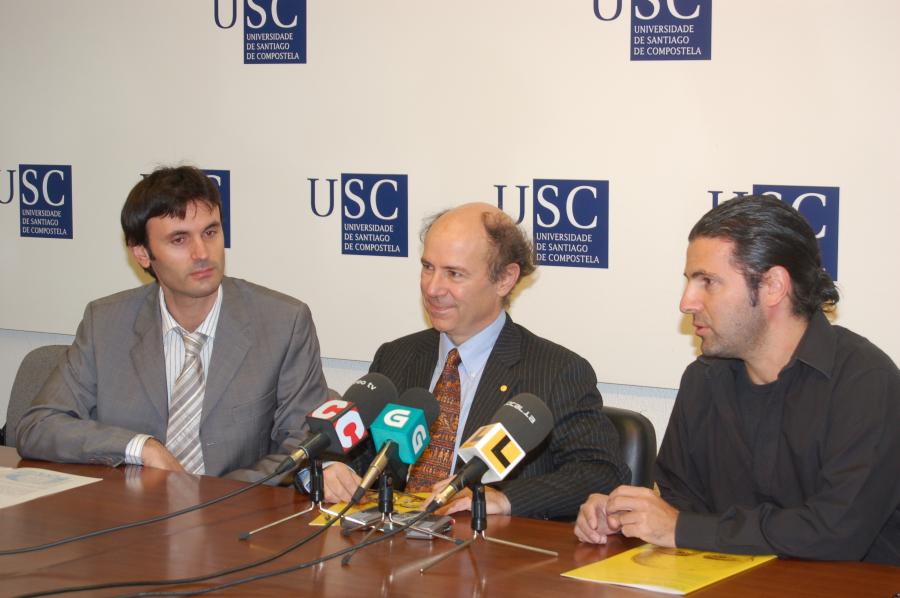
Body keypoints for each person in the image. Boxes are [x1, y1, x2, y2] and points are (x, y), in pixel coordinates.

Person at [574, 195, 900, 565]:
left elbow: (836, 533)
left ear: (773, 286)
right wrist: (627, 515)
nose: (686, 302)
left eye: (708, 282)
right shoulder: (704, 379)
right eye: (689, 281)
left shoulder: (865, 382)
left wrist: (678, 527)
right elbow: (681, 504)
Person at [17, 165, 329, 482]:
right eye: (179, 239)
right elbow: (38, 426)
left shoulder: (283, 323)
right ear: (141, 253)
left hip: (233, 516)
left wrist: (207, 497)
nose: (202, 253)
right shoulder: (106, 323)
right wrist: (139, 447)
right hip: (131, 518)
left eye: (210, 232)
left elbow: (303, 446)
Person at [322, 202, 628, 520]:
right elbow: (349, 453)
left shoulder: (555, 372)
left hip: (485, 557)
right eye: (428, 267)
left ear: (505, 279)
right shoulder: (396, 358)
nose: (432, 287)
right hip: (388, 551)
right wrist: (332, 468)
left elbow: (601, 473)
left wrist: (502, 499)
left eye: (454, 274)